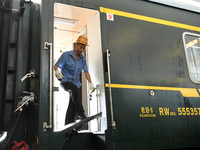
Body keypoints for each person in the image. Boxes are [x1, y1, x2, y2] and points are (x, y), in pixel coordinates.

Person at [54, 35, 95, 125]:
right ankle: (81, 114)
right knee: (73, 89)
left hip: (75, 83)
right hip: (65, 81)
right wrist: (57, 71)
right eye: (81, 47)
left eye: (83, 48)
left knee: (72, 104)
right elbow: (56, 65)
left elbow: (86, 72)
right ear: (76, 45)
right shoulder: (66, 55)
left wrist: (91, 83)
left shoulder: (82, 60)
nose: (82, 50)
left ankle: (68, 127)